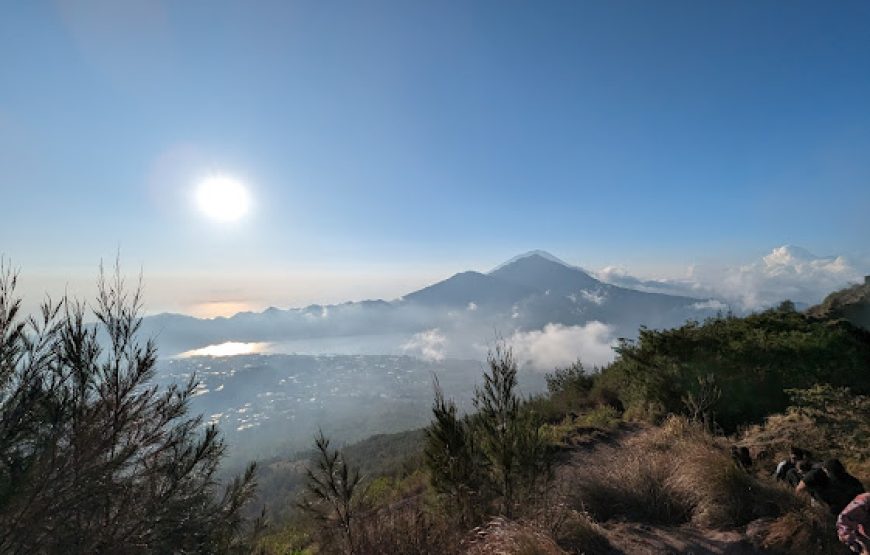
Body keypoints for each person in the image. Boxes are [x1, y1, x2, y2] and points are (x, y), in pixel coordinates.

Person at [798, 459, 866, 516]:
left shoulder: (837, 484)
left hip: (848, 513)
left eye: (826, 471)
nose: (825, 473)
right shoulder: (852, 480)